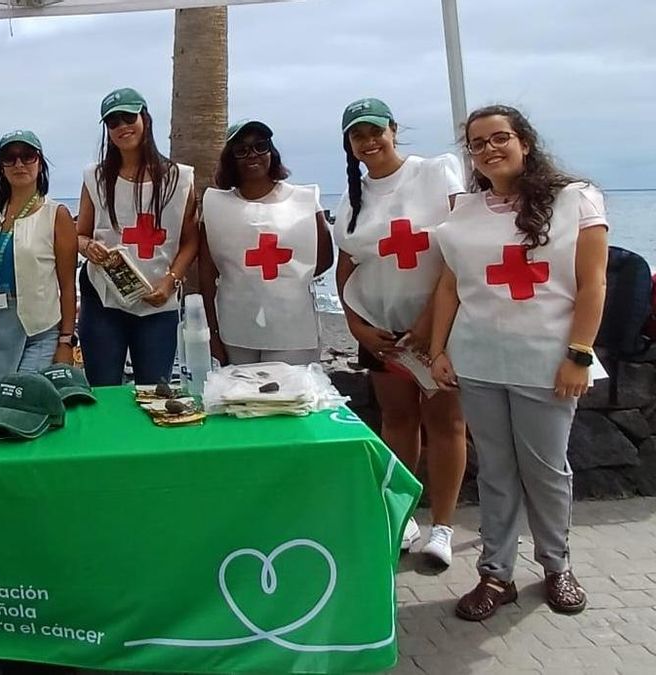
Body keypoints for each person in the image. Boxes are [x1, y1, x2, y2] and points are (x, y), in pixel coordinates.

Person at [430, 105, 607, 621]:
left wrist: (579, 354)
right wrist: (440, 350)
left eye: (499, 137)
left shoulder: (575, 200)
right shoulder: (464, 210)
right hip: (480, 361)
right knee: (497, 473)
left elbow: (593, 283)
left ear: (524, 141)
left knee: (547, 471)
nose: (489, 149)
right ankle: (496, 574)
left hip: (547, 362)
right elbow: (450, 286)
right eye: (477, 143)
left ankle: (556, 566)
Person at [332, 98, 467, 565]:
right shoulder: (353, 197)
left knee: (445, 422)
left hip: (438, 330)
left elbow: (457, 252)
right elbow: (346, 265)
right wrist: (358, 327)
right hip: (382, 333)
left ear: (393, 129)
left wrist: (427, 327)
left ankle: (443, 527)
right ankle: (401, 514)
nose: (368, 141)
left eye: (375, 130)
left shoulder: (435, 173)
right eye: (357, 135)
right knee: (398, 420)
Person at [77, 88, 198, 386]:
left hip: (158, 300)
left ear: (145, 118)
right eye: (113, 121)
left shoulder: (179, 179)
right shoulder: (95, 177)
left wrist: (170, 281)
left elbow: (191, 240)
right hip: (102, 300)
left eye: (128, 117)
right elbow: (79, 234)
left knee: (155, 389)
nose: (122, 126)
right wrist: (88, 247)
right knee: (104, 390)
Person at [199, 118, 333, 366]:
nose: (253, 155)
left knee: (290, 400)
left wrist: (284, 284)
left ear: (271, 151)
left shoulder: (303, 200)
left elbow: (323, 260)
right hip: (236, 327)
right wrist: (212, 334)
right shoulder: (216, 206)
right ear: (231, 158)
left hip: (291, 327)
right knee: (242, 401)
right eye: (241, 150)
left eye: (261, 146)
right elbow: (206, 275)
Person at [0, 130, 77, 390]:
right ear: (1, 166)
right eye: (9, 157)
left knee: (27, 398)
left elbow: (68, 285)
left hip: (39, 328)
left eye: (27, 156)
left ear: (40, 162)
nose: (19, 164)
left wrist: (66, 341)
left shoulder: (56, 215)